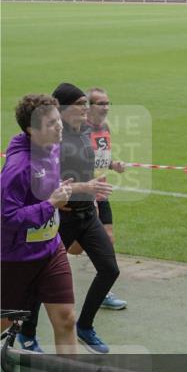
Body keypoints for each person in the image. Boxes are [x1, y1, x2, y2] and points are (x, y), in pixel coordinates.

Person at [18, 83, 116, 354]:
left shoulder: (86, 131)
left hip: (87, 214)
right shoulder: (52, 141)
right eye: (80, 103)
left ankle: (85, 326)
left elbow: (89, 167)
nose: (86, 108)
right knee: (41, 279)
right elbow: (46, 183)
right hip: (63, 217)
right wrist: (81, 191)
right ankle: (27, 333)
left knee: (110, 269)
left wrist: (94, 192)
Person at [1, 94, 77, 354]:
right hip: (14, 258)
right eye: (51, 124)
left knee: (66, 319)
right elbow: (6, 218)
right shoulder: (17, 168)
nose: (59, 127)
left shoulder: (52, 147)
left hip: (51, 249)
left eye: (58, 120)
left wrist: (58, 193)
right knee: (4, 321)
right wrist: (49, 205)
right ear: (31, 130)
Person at [66, 87, 127, 310]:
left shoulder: (104, 128)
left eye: (108, 103)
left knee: (108, 239)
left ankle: (104, 292)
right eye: (100, 103)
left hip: (99, 192)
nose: (106, 107)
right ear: (89, 106)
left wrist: (114, 165)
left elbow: (101, 158)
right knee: (74, 248)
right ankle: (42, 278)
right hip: (81, 195)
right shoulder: (79, 129)